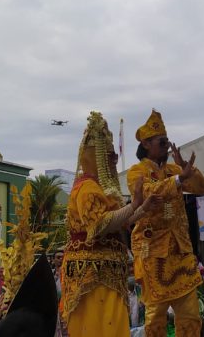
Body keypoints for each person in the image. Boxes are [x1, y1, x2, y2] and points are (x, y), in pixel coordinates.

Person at [61, 111, 160, 337]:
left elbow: (119, 223)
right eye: (110, 157)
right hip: (92, 274)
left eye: (115, 157)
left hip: (108, 272)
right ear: (96, 157)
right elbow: (100, 225)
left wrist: (142, 207)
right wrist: (134, 204)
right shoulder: (86, 187)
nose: (114, 162)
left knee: (114, 327)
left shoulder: (101, 190)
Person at [127, 109, 204, 337]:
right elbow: (146, 194)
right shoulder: (137, 172)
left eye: (167, 141)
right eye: (162, 142)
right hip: (154, 253)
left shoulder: (175, 169)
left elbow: (202, 188)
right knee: (155, 317)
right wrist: (179, 179)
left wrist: (188, 172)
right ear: (146, 144)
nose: (167, 145)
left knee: (191, 314)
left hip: (181, 251)